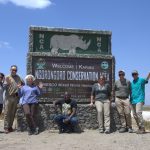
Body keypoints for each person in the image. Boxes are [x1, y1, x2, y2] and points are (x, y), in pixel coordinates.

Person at [3, 65, 24, 133]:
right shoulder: (7, 77)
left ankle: (10, 126)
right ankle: (6, 127)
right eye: (13, 70)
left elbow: (23, 84)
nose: (14, 71)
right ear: (10, 70)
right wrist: (6, 84)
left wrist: (21, 86)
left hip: (16, 97)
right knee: (7, 113)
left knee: (13, 113)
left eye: (15, 70)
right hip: (8, 97)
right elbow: (3, 87)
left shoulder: (19, 77)